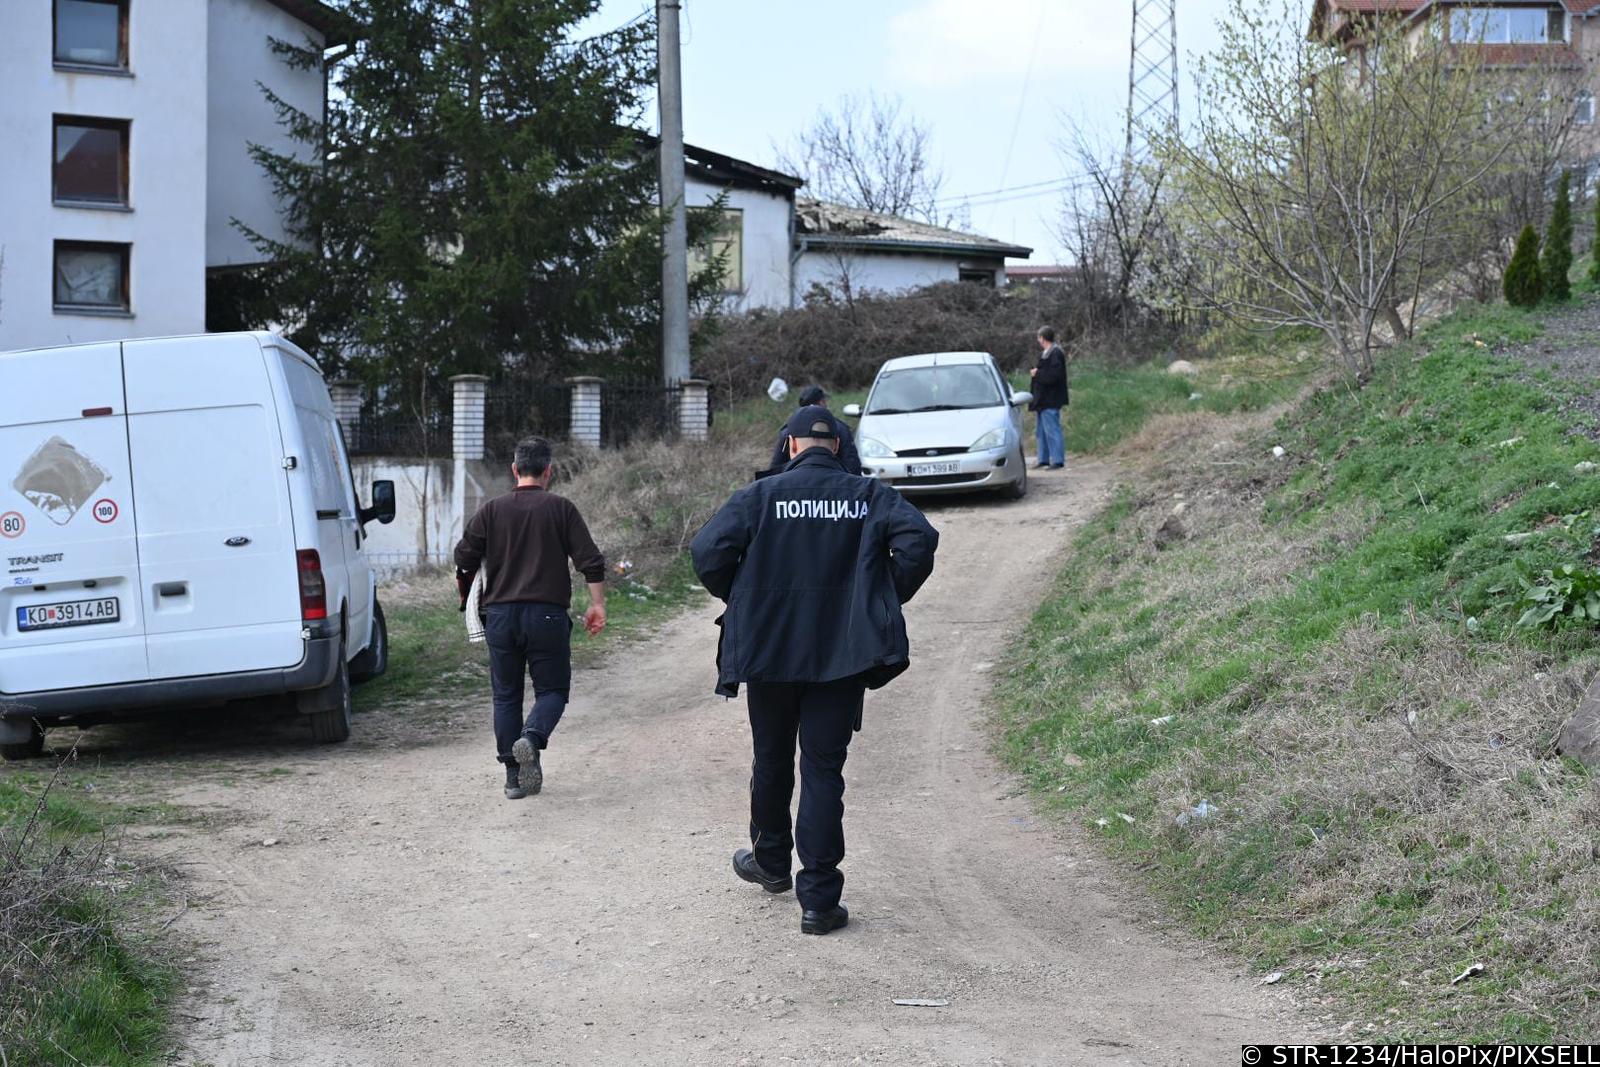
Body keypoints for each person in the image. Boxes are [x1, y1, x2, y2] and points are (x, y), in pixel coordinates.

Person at [691, 406, 940, 935]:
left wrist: (745, 595)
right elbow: (919, 541)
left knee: (771, 759)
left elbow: (708, 551)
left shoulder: (758, 497)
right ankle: (819, 901)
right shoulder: (867, 495)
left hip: (771, 654)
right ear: (837, 448)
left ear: (790, 447)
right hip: (841, 657)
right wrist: (879, 597)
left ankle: (772, 863)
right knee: (823, 770)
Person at [454, 437, 607, 800]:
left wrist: (468, 594)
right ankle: (532, 737)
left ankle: (513, 777)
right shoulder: (561, 508)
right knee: (553, 691)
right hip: (547, 616)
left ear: (514, 469)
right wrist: (597, 604)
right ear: (548, 471)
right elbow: (591, 560)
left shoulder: (491, 510)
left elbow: (463, 557)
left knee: (506, 696)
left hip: (501, 617)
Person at [768, 384, 862, 476]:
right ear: (822, 402)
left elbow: (775, 467)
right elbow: (853, 466)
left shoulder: (788, 430)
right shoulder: (840, 429)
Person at [1029, 326, 1069, 469]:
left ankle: (1058, 460)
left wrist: (1037, 374)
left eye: (1039, 337)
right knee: (1041, 431)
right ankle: (1043, 459)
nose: (1038, 340)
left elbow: (1055, 376)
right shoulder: (1045, 353)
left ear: (1042, 338)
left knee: (1052, 430)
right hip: (1042, 400)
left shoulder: (1056, 353)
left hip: (1051, 399)